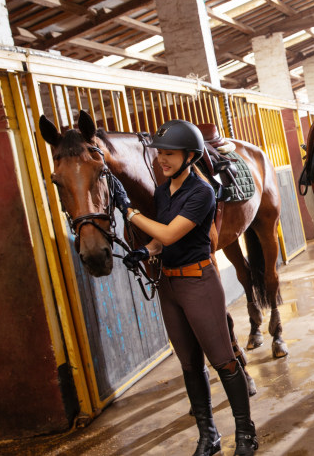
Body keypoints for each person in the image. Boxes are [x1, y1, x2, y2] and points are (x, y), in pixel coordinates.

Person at [119, 119, 258, 456]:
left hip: (199, 283)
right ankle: (208, 437)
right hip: (170, 286)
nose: (161, 160)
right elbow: (162, 240)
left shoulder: (203, 191)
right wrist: (145, 250)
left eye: (168, 154)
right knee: (189, 365)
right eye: (159, 153)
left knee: (224, 361)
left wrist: (129, 212)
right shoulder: (163, 192)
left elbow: (170, 234)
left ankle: (245, 433)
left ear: (190, 155)